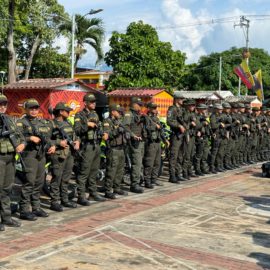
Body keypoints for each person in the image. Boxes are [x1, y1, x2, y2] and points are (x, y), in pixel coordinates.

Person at [16, 99, 56, 221]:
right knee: (29, 182)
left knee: (39, 182)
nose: (34, 111)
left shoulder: (42, 122)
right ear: (26, 109)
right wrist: (29, 138)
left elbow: (48, 137)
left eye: (36, 108)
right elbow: (17, 138)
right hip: (29, 155)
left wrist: (52, 145)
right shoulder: (21, 122)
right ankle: (24, 210)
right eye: (31, 108)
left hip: (41, 154)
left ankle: (36, 207)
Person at [74, 93, 106, 206]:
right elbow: (77, 130)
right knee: (84, 172)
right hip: (86, 146)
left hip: (96, 145)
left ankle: (93, 192)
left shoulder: (95, 114)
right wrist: (87, 125)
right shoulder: (80, 115)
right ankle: (81, 196)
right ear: (86, 103)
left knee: (93, 171)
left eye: (94, 102)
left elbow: (100, 126)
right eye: (91, 102)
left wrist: (102, 133)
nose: (94, 103)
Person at [0, 94, 25, 231]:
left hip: (10, 158)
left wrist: (22, 144)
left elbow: (20, 136)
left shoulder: (9, 120)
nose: (3, 107)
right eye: (0, 104)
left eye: (5, 104)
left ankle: (6, 217)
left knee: (7, 188)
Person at [49, 102, 80, 212]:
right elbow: (46, 140)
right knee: (56, 178)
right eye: (67, 111)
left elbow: (75, 135)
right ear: (61, 112)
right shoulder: (51, 124)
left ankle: (65, 199)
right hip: (58, 155)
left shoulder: (68, 123)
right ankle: (54, 202)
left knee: (66, 178)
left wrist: (77, 142)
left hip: (70, 154)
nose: (69, 112)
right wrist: (58, 142)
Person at [102, 104, 128, 199]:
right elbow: (107, 135)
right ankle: (108, 190)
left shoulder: (118, 121)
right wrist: (117, 131)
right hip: (113, 149)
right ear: (113, 111)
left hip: (121, 148)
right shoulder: (107, 121)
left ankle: (117, 187)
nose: (120, 113)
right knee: (111, 170)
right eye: (118, 111)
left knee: (120, 170)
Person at [122, 97, 146, 193]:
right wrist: (133, 135)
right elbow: (124, 126)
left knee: (140, 163)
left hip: (140, 142)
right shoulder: (129, 114)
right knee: (136, 163)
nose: (140, 107)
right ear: (134, 104)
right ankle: (134, 184)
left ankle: (139, 181)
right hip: (133, 142)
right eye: (139, 105)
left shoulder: (138, 114)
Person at [143, 102, 169, 188]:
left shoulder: (155, 118)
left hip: (158, 142)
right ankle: (147, 181)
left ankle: (154, 179)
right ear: (149, 109)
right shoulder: (146, 117)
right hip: (151, 143)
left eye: (155, 108)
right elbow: (146, 128)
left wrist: (165, 140)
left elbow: (160, 130)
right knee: (149, 163)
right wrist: (155, 126)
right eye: (153, 108)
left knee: (157, 163)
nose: (155, 110)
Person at [167, 92, 186, 183]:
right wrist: (178, 126)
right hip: (176, 135)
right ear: (176, 99)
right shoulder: (172, 109)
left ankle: (179, 174)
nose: (182, 100)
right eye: (181, 99)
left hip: (182, 136)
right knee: (173, 156)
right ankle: (172, 175)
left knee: (180, 156)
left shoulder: (182, 109)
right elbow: (169, 121)